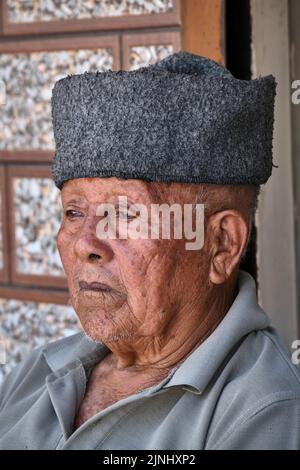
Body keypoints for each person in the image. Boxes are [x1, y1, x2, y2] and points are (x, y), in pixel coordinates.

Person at [0, 51, 299, 450]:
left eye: (124, 214)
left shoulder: (264, 412)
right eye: (74, 211)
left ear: (221, 245)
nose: (85, 243)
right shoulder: (40, 370)